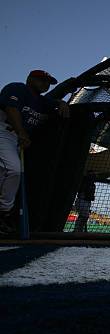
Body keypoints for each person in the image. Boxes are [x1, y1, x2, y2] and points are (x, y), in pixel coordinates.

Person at [0, 70, 70, 235]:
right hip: (4, 131)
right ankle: (3, 213)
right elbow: (11, 109)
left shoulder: (42, 101)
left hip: (16, 140)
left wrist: (61, 103)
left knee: (6, 172)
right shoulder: (17, 88)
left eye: (48, 82)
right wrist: (22, 132)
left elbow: (55, 103)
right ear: (31, 79)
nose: (45, 84)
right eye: (42, 80)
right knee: (14, 170)